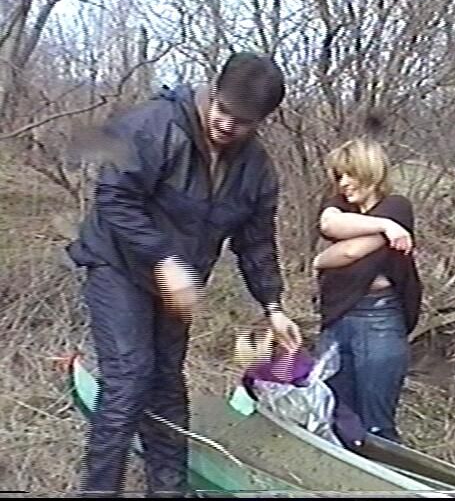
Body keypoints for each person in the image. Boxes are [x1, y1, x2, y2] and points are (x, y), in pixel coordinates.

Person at [65, 52, 302, 497]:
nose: (227, 125)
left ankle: (168, 490)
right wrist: (164, 260)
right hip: (118, 267)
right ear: (214, 91)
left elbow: (256, 242)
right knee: (129, 378)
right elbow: (114, 199)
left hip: (177, 287)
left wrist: (273, 306)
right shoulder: (154, 126)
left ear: (260, 122)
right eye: (223, 111)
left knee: (167, 387)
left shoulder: (256, 170)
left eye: (242, 121)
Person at [312, 137, 422, 444]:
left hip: (378, 320)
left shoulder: (397, 207)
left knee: (376, 426)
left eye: (350, 174)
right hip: (337, 318)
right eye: (339, 176)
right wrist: (385, 227)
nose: (344, 183)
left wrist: (322, 259)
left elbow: (349, 252)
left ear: (370, 170)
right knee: (335, 416)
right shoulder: (339, 206)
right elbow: (329, 225)